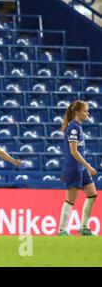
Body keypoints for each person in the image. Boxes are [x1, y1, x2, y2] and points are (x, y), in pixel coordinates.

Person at [57, 100, 98, 236]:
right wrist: (88, 166)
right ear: (77, 112)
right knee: (71, 199)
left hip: (80, 167)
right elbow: (74, 151)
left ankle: (84, 227)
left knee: (92, 194)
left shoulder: (77, 127)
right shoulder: (73, 127)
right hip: (74, 167)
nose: (88, 113)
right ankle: (62, 230)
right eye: (85, 111)